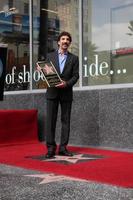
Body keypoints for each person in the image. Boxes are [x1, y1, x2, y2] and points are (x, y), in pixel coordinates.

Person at [37, 31, 79, 158]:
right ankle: (50, 148)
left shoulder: (74, 58)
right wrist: (40, 70)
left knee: (66, 121)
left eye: (67, 40)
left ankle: (63, 148)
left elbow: (76, 76)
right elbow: (47, 74)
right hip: (52, 92)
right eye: (63, 39)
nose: (65, 41)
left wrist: (66, 84)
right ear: (59, 42)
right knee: (51, 121)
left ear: (69, 43)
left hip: (66, 93)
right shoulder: (50, 56)